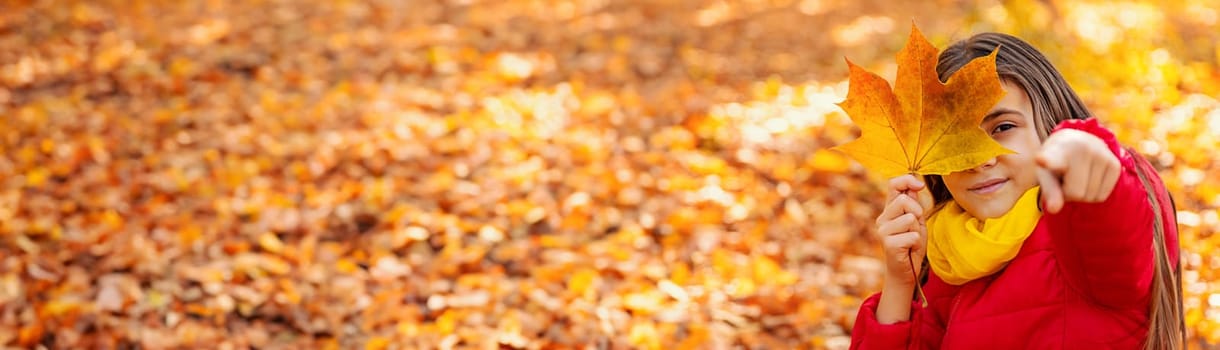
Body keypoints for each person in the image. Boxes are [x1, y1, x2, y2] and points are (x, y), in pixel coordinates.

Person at [848, 33, 1185, 349]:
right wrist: (899, 284)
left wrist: (1092, 158)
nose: (979, 160)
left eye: (1003, 127)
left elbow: (1113, 228)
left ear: (1051, 121)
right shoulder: (948, 253)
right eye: (956, 141)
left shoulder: (1081, 233)